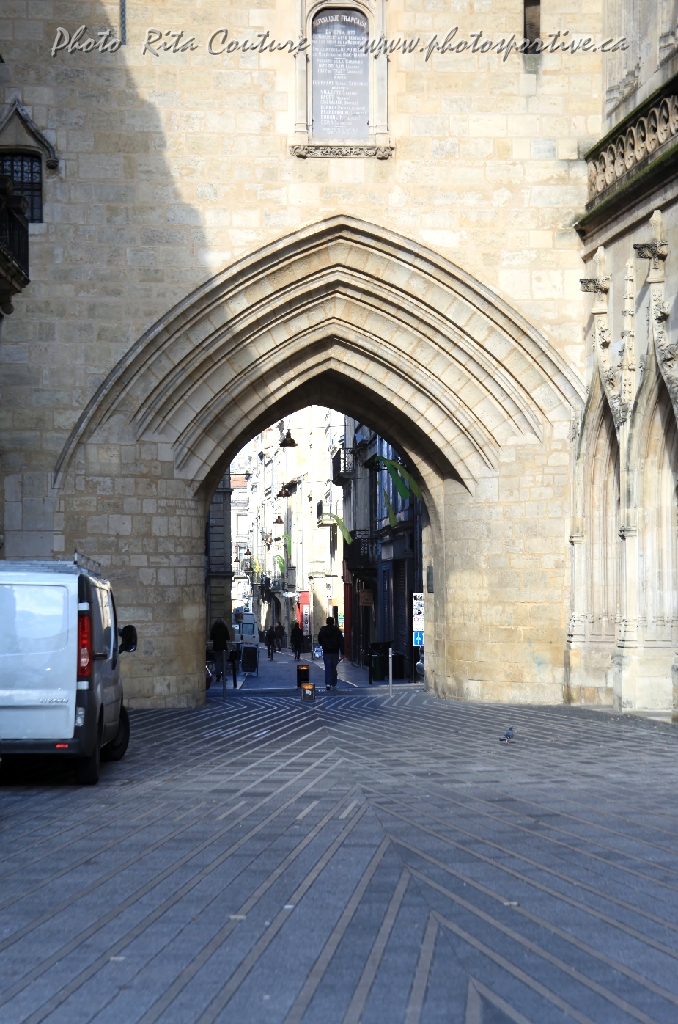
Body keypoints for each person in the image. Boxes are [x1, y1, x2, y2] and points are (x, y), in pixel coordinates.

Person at [317, 616, 344, 690]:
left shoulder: (323, 631)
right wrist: (343, 652)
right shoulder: (338, 631)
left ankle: (328, 683)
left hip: (326, 651)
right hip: (335, 652)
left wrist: (323, 645)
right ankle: (333, 683)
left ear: (326, 622)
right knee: (333, 667)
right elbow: (341, 642)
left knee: (327, 667)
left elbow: (319, 639)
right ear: (333, 622)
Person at [210, 617, 230, 683]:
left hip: (216, 647)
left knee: (217, 661)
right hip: (223, 647)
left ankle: (218, 676)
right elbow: (228, 637)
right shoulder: (224, 627)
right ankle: (224, 676)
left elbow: (211, 637)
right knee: (223, 662)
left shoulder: (214, 627)